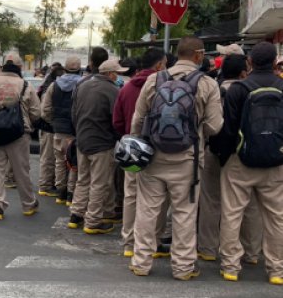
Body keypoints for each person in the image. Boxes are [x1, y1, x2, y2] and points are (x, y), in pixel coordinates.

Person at [129, 36, 223, 280]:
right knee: (184, 213)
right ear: (198, 56)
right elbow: (215, 126)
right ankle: (182, 267)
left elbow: (137, 121)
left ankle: (141, 262)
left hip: (153, 157)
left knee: (148, 210)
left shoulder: (154, 79)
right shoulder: (207, 84)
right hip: (187, 160)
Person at [217, 42, 283, 285]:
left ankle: (231, 267)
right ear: (275, 62)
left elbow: (228, 129)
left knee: (232, 213)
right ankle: (276, 269)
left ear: (250, 63)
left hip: (240, 160)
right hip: (275, 162)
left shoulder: (239, 89)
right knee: (276, 217)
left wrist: (225, 155)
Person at [200, 54, 262, 264]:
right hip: (245, 154)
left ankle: (208, 249)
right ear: (244, 71)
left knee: (211, 201)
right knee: (249, 204)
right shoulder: (251, 90)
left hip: (214, 150)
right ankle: (251, 252)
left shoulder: (213, 88)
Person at [112, 48, 167, 257]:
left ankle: (128, 242)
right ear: (159, 65)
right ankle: (154, 240)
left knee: (131, 195)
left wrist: (128, 136)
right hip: (157, 150)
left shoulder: (125, 89)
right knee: (157, 199)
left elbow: (116, 122)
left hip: (132, 150)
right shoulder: (163, 86)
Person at [0, 53, 41, 220]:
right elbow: (36, 112)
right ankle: (28, 205)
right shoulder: (25, 85)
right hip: (18, 134)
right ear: (20, 67)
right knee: (21, 171)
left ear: (3, 66)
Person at [68, 59, 126, 234]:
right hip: (102, 142)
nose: (118, 76)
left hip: (83, 139)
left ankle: (76, 214)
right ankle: (92, 221)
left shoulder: (83, 86)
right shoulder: (112, 90)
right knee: (99, 183)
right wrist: (118, 137)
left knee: (83, 179)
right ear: (110, 74)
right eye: (117, 73)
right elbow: (116, 119)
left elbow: (74, 113)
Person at [41, 56, 82, 205]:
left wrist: (54, 122)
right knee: (73, 163)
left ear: (64, 69)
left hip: (58, 129)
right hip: (74, 130)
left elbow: (45, 109)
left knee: (59, 161)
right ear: (79, 70)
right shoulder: (82, 85)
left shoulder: (54, 85)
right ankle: (70, 194)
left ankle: (60, 191)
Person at [36, 64, 64, 202]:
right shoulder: (50, 88)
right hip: (49, 128)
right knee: (48, 158)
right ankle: (45, 185)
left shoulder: (48, 85)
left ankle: (48, 184)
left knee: (51, 158)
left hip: (49, 127)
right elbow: (45, 110)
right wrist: (53, 123)